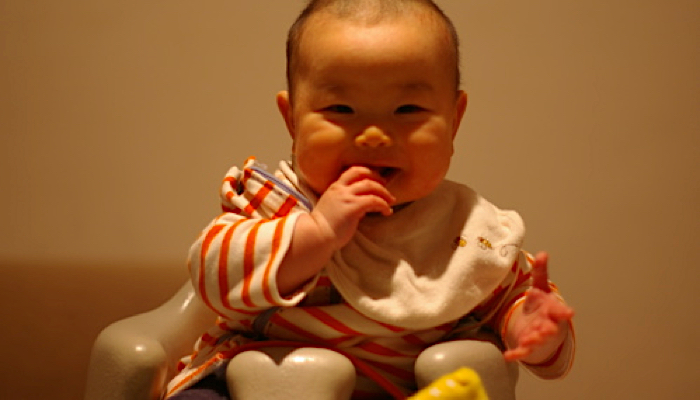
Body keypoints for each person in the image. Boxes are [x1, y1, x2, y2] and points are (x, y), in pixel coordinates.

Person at [165, 0, 575, 399]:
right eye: (341, 108)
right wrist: (317, 232)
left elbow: (530, 331)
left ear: (454, 120)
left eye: (408, 109)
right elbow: (213, 275)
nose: (374, 135)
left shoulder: (466, 232)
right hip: (261, 380)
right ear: (292, 120)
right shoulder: (278, 204)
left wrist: (533, 329)